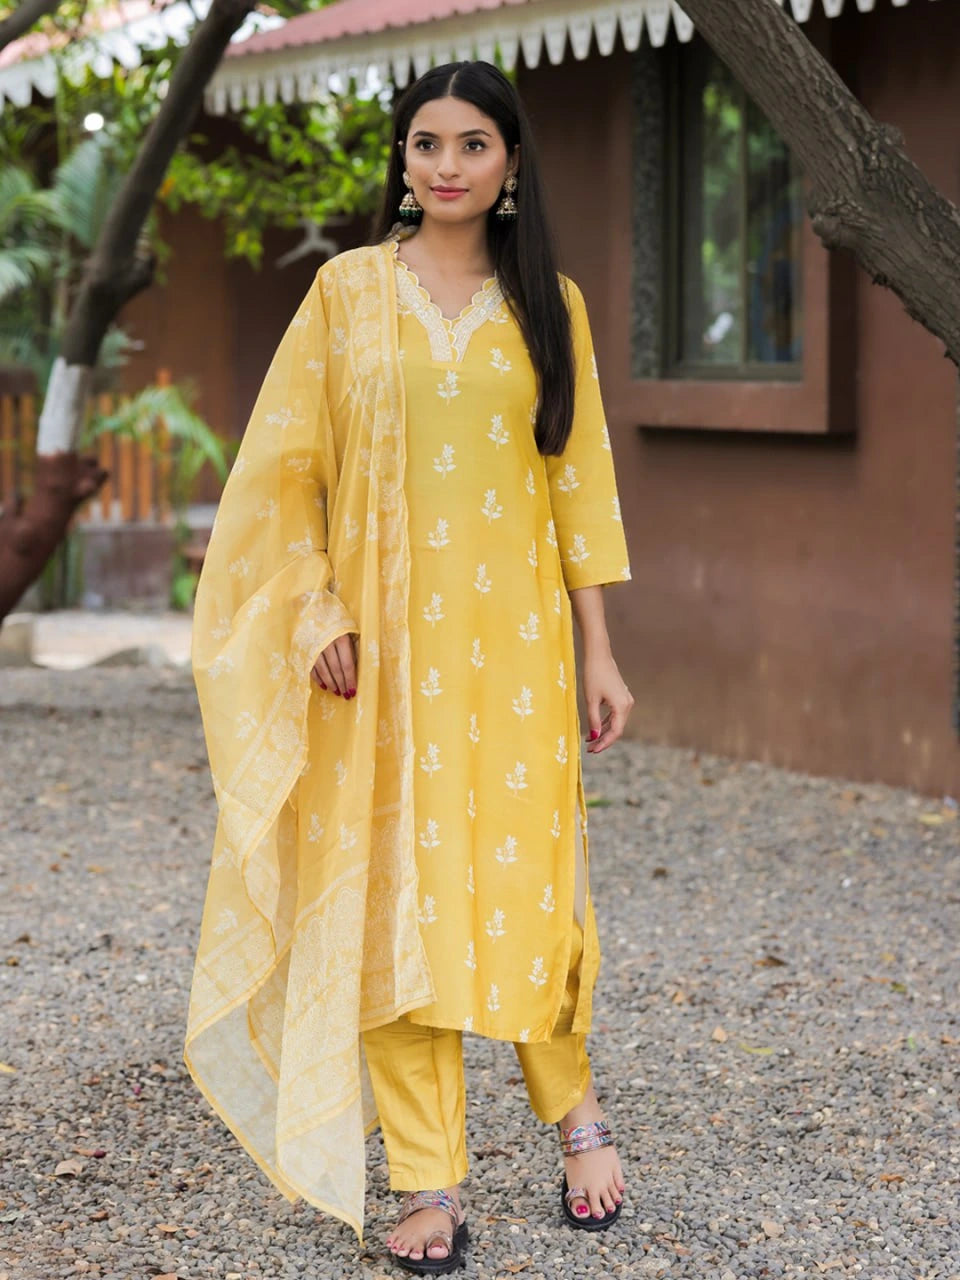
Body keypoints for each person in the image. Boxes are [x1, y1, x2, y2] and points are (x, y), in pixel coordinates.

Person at [184, 59, 634, 1277]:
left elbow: (578, 483)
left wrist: (598, 650)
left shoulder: (552, 304)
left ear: (511, 164)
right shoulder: (346, 292)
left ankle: (575, 1109)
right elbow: (285, 473)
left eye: (472, 143)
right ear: (402, 158)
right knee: (394, 891)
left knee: (531, 882)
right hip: (379, 656)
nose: (445, 164)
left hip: (516, 653)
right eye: (425, 142)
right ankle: (430, 1175)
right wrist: (313, 607)